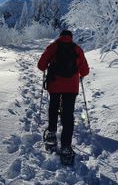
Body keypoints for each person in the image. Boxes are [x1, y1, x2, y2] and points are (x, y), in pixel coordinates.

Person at [37, 30, 89, 163]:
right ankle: (66, 147)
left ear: (60, 36)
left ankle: (51, 134)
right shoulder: (77, 49)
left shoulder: (53, 46)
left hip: (54, 85)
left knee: (53, 106)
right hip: (71, 88)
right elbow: (85, 71)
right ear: (71, 38)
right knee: (68, 114)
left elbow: (41, 65)